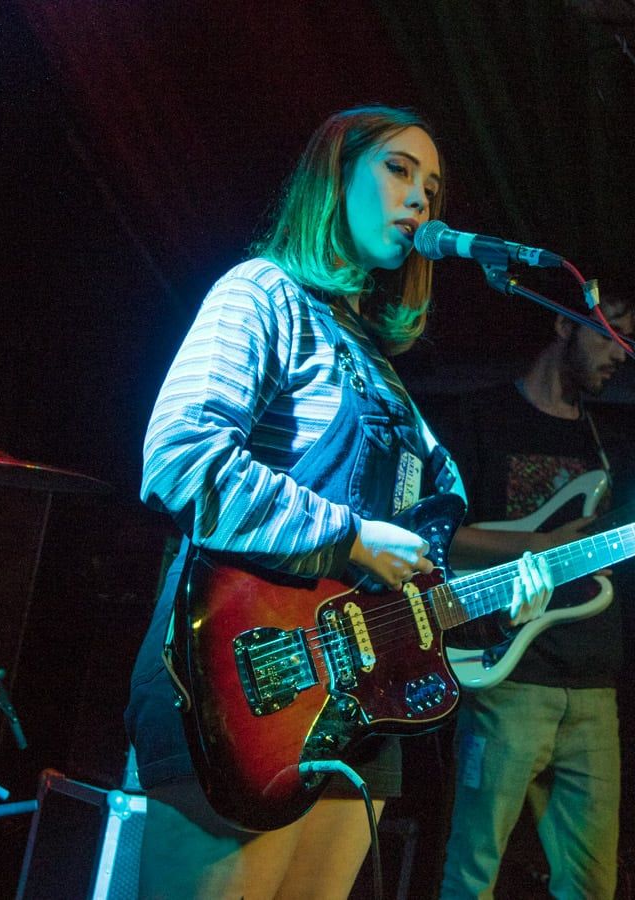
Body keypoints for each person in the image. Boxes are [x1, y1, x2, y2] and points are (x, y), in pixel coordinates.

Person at [124, 106, 554, 900]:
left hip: (360, 704)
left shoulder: (382, 368)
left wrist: (493, 609)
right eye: (398, 169)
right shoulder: (263, 293)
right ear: (335, 175)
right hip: (246, 681)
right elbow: (181, 458)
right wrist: (350, 537)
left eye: (433, 187)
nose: (420, 199)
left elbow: (415, 566)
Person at [437, 290, 635, 899]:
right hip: (506, 680)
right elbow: (436, 540)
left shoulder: (607, 440)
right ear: (563, 323)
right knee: (471, 876)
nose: (621, 355)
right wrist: (538, 547)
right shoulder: (479, 417)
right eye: (610, 334)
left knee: (591, 888)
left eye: (628, 341)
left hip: (593, 691)